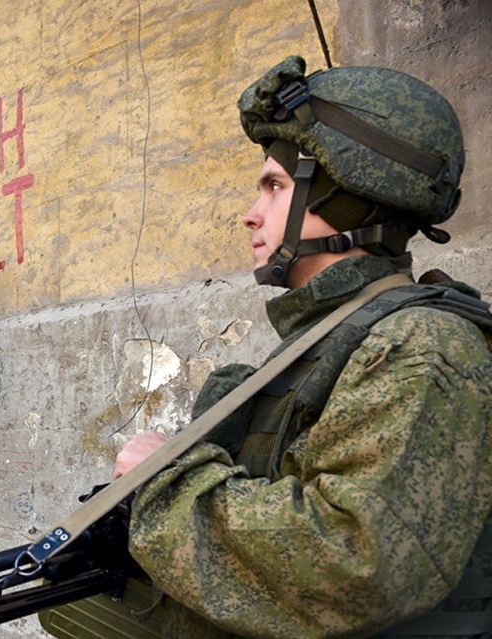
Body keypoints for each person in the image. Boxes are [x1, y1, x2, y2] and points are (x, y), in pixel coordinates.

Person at [113, 56, 492, 638]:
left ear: (348, 203)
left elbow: (360, 559)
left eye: (275, 186)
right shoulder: (335, 334)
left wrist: (171, 482)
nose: (250, 214)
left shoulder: (419, 343)